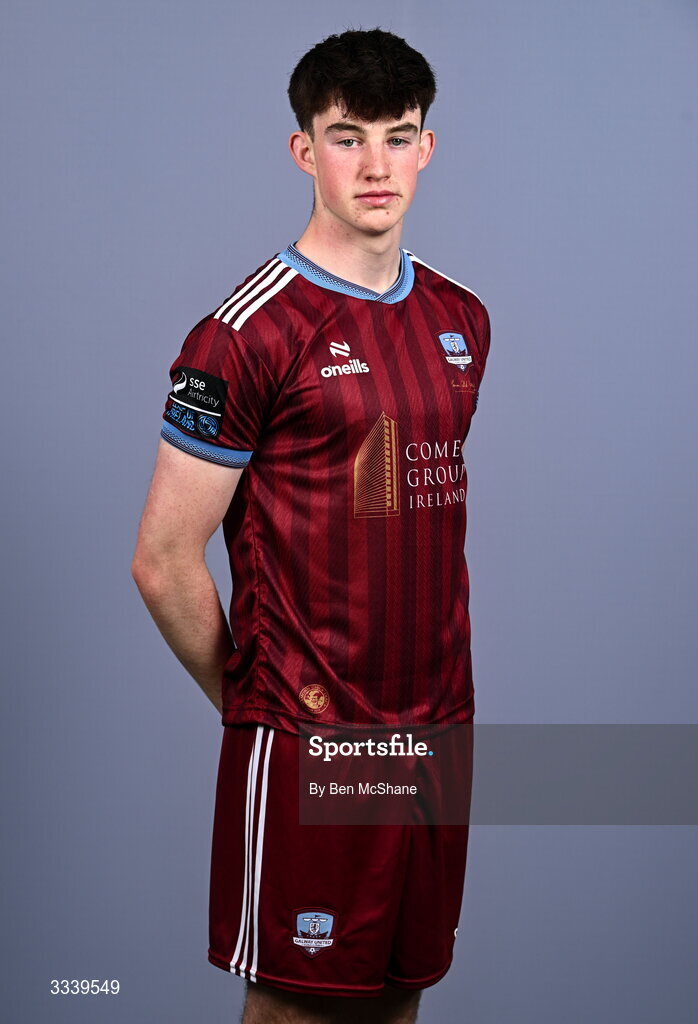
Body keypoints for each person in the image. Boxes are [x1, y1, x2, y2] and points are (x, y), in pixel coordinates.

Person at [132, 26, 491, 1024]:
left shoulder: (460, 319)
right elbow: (162, 560)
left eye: (395, 134)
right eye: (345, 136)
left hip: (434, 733)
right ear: (304, 150)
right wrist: (259, 712)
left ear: (427, 146)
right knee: (296, 1008)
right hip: (311, 738)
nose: (373, 164)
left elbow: (380, 495)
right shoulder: (245, 334)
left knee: (397, 995)